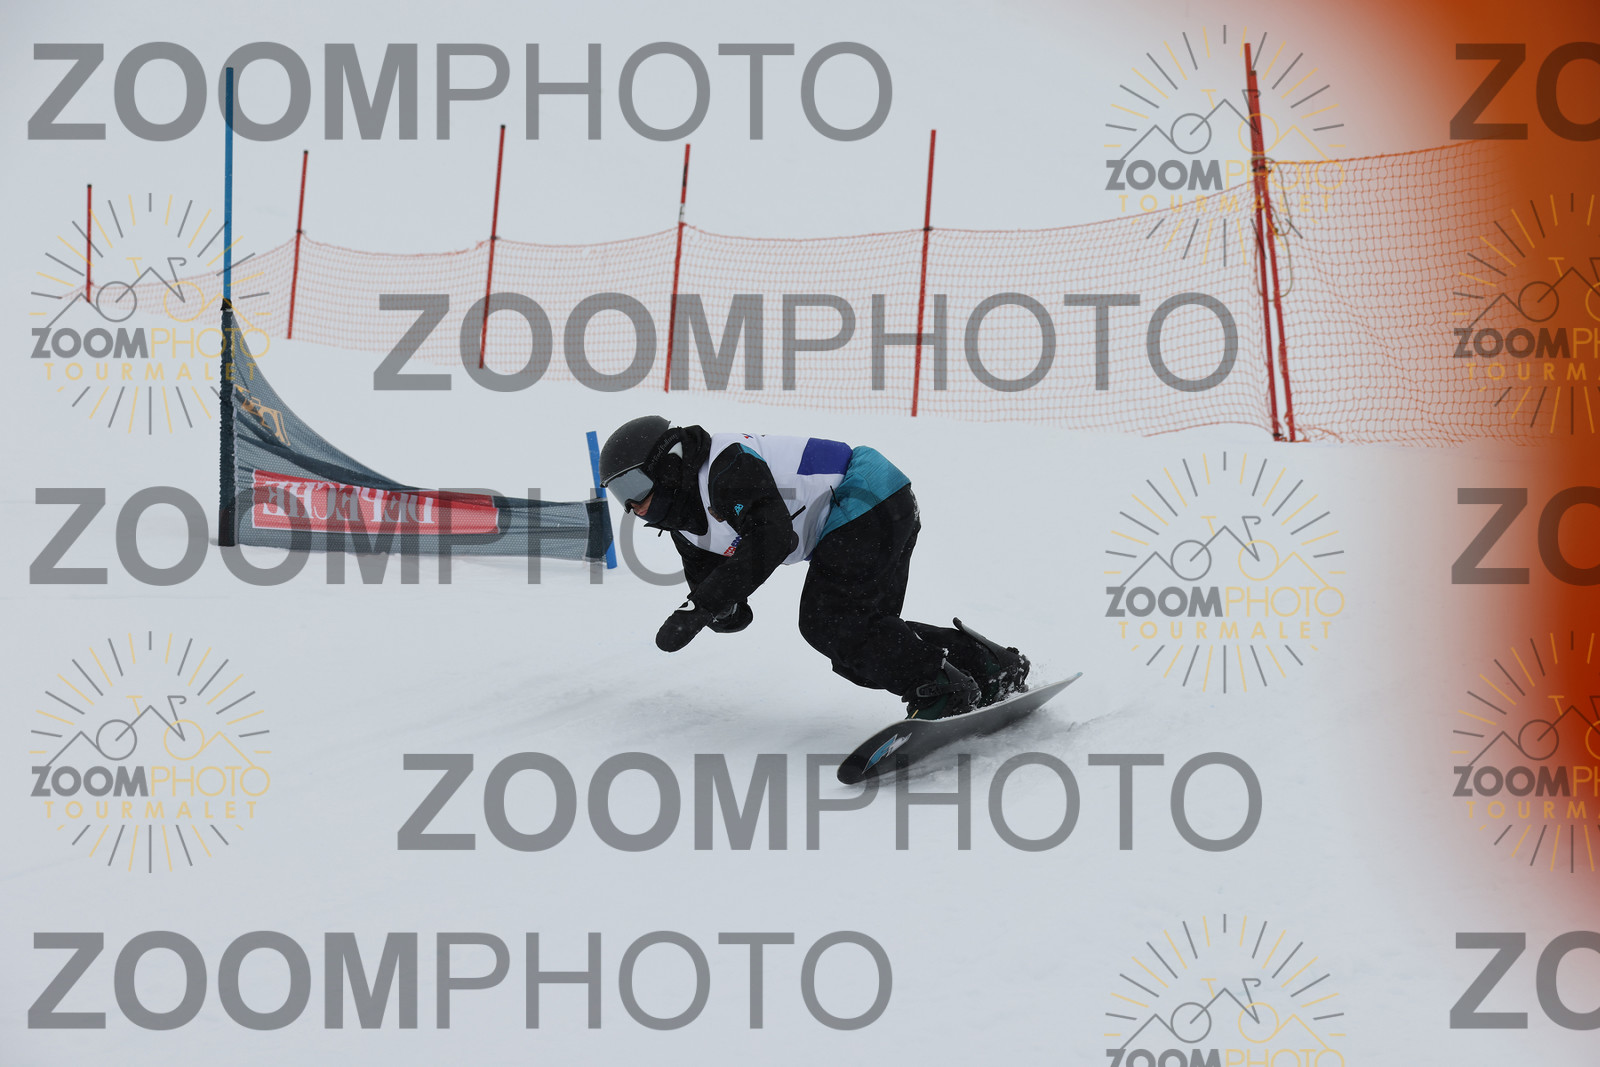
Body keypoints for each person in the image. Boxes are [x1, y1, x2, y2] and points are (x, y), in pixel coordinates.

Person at [598, 416, 1029, 719]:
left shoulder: (724, 466)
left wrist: (703, 605)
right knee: (860, 637)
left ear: (670, 465)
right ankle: (987, 666)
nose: (633, 507)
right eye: (621, 496)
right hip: (868, 510)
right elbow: (725, 599)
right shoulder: (686, 529)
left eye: (635, 486)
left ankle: (940, 687)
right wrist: (719, 611)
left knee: (831, 623)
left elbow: (772, 537)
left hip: (865, 494)